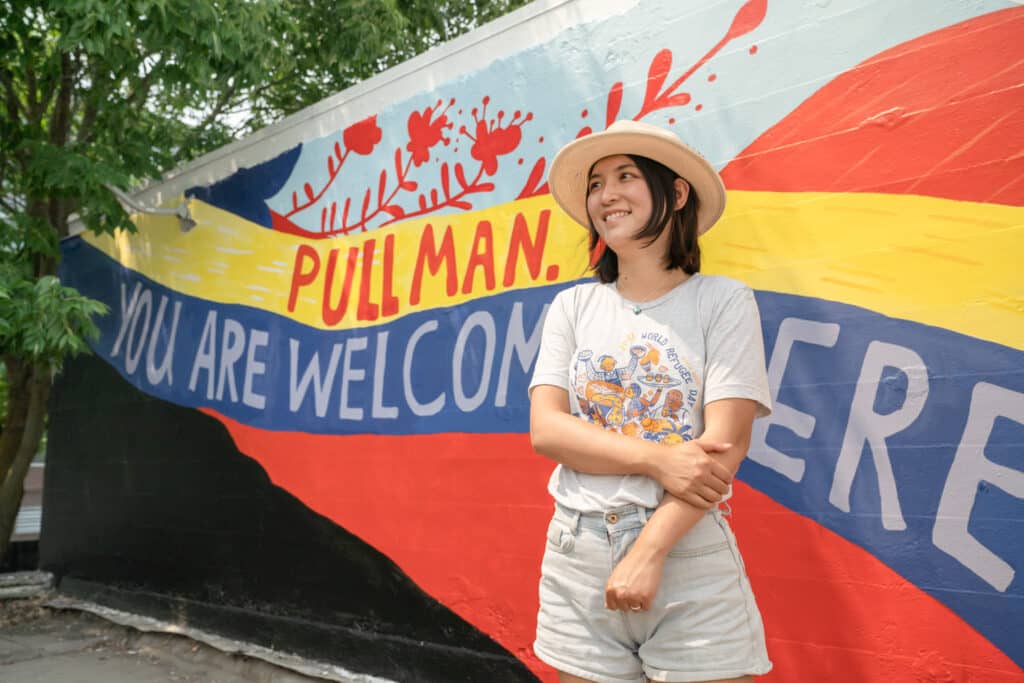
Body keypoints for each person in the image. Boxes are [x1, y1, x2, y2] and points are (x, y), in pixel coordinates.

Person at [529, 120, 773, 683]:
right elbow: (548, 431)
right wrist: (660, 458)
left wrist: (648, 552)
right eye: (595, 184)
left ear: (677, 192)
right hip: (576, 550)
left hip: (685, 552)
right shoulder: (573, 306)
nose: (606, 195)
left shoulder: (723, 302)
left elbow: (724, 448)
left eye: (626, 176)